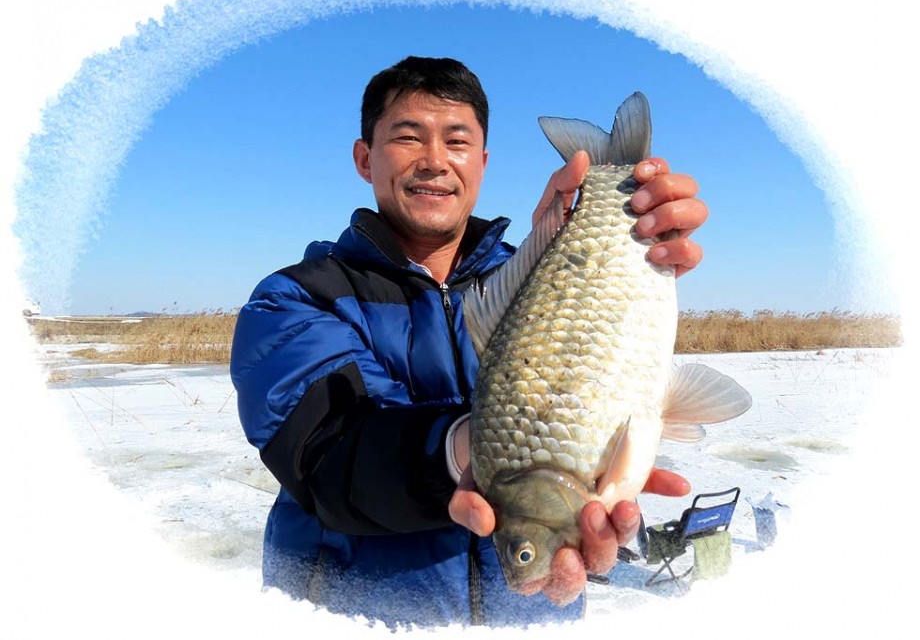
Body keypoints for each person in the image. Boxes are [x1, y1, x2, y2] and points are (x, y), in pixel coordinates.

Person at [230, 56, 708, 628]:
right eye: (408, 137)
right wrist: (467, 449)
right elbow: (329, 460)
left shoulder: (546, 280)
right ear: (364, 159)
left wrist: (638, 251)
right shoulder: (297, 298)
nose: (435, 160)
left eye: (457, 141)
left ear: (482, 163)